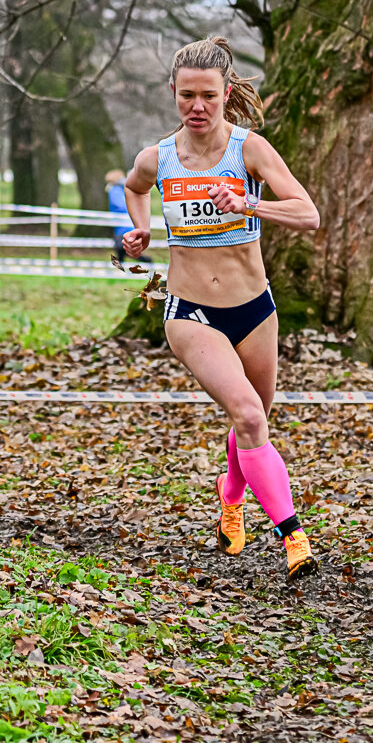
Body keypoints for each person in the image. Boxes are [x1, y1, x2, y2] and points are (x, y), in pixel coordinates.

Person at [121, 37, 323, 581]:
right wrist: (140, 229)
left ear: (226, 93)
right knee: (250, 416)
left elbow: (308, 214)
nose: (197, 107)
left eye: (208, 96)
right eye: (187, 95)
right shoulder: (158, 158)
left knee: (252, 419)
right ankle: (294, 538)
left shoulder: (249, 150)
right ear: (173, 92)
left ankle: (231, 499)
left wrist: (249, 203)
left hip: (255, 309)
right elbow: (134, 187)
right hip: (191, 313)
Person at [105, 169, 132, 262]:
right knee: (123, 249)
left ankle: (147, 260)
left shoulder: (114, 190)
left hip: (121, 222)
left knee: (120, 248)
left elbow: (119, 204)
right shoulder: (124, 188)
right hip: (128, 221)